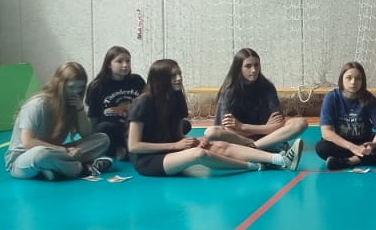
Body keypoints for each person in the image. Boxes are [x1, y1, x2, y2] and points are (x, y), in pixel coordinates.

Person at [128, 59, 301, 177]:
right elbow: (134, 146)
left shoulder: (177, 98)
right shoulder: (143, 103)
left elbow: (177, 135)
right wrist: (176, 145)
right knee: (199, 154)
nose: (179, 78)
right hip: (148, 160)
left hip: (171, 150)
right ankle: (255, 165)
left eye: (179, 74)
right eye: (173, 76)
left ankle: (280, 159)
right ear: (161, 79)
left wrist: (191, 140)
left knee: (219, 145)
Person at [6, 62, 113, 180]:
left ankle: (54, 168)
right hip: (23, 159)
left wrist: (80, 109)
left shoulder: (70, 104)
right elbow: (28, 142)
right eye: (71, 87)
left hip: (56, 152)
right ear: (59, 85)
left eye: (80, 88)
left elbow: (86, 134)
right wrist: (64, 150)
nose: (76, 92)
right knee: (41, 154)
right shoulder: (37, 105)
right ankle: (83, 169)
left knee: (102, 139)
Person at [213, 48, 309, 152]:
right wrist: (266, 128)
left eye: (256, 65)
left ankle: (254, 147)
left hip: (265, 137)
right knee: (215, 133)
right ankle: (268, 147)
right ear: (238, 68)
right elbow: (229, 131)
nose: (254, 70)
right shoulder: (229, 92)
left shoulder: (267, 87)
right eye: (248, 66)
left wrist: (242, 126)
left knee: (300, 123)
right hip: (240, 139)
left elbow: (279, 124)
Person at [315, 62, 376, 171]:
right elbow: (326, 132)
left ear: (362, 81)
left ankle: (350, 161)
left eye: (358, 78)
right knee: (321, 147)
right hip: (343, 143)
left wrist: (373, 145)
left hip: (365, 142)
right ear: (342, 79)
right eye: (349, 78)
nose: (353, 82)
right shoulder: (331, 98)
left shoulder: (369, 98)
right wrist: (352, 147)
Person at [85, 45, 145, 159]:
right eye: (119, 61)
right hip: (113, 129)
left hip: (134, 127)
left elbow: (147, 105)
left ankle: (129, 149)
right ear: (109, 64)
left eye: (128, 61)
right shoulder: (97, 86)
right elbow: (94, 117)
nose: (125, 65)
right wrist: (92, 142)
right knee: (102, 128)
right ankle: (118, 149)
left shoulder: (137, 81)